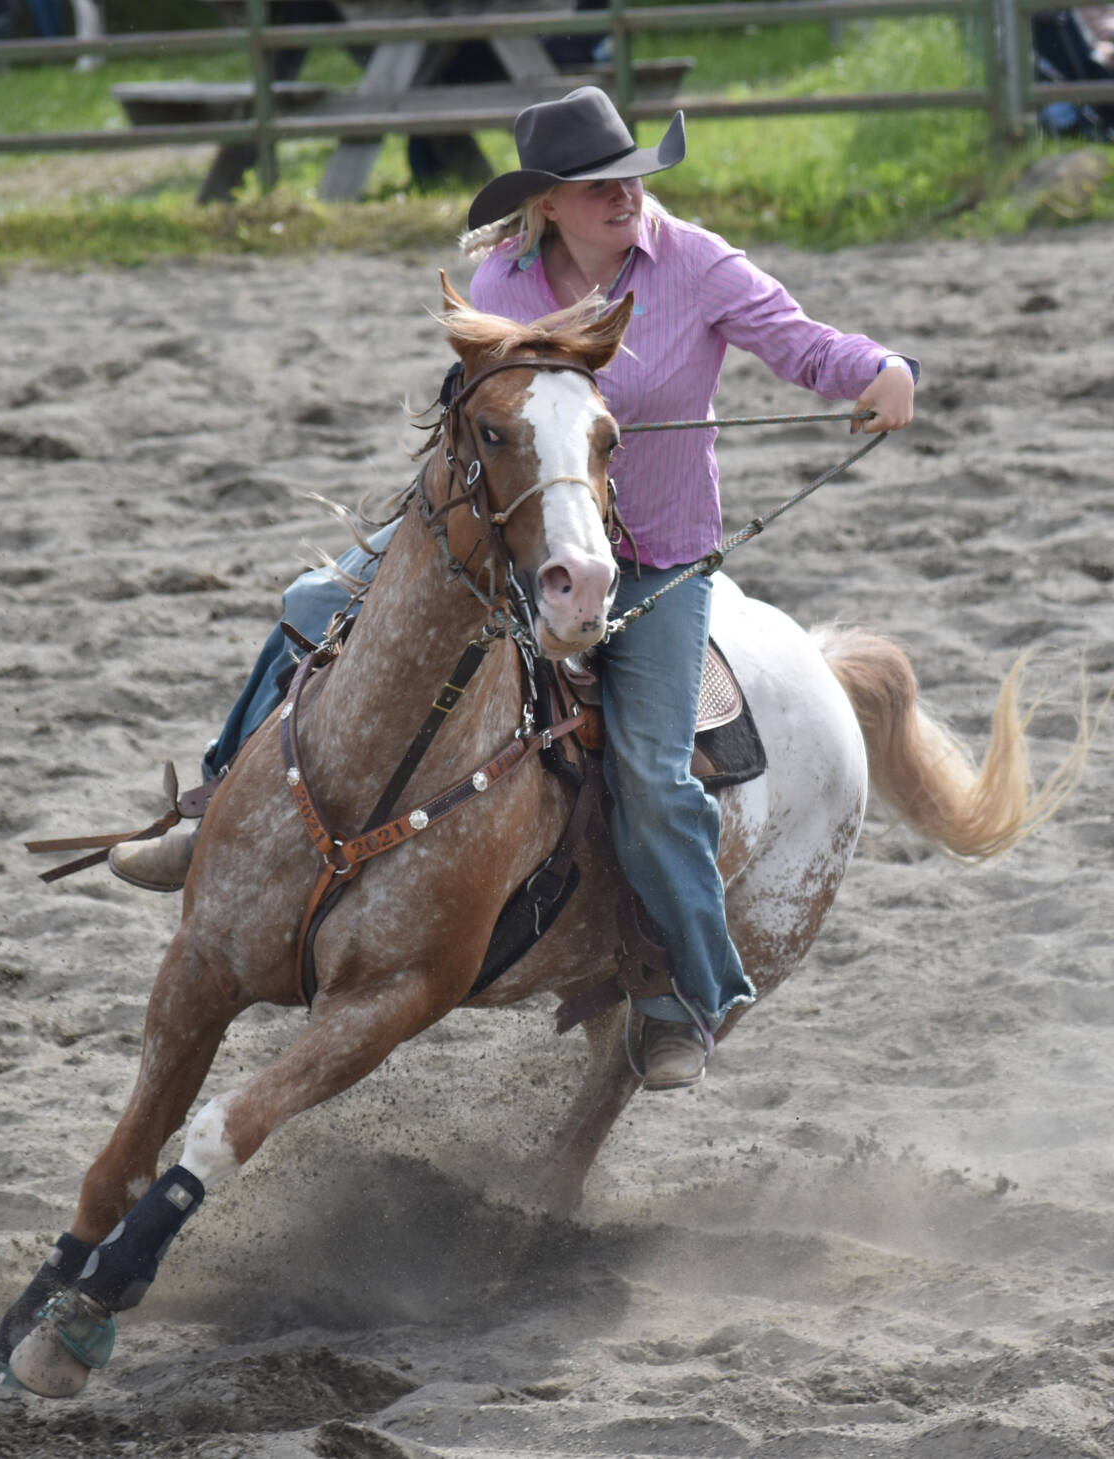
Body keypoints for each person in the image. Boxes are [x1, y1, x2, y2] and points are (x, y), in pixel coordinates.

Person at [109, 86, 919, 1093]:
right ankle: (209, 808)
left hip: (650, 559)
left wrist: (875, 370)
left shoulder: (695, 264)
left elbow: (795, 338)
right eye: (597, 186)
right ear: (546, 204)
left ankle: (688, 986)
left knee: (655, 775)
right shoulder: (503, 280)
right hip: (506, 545)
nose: (625, 197)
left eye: (631, 178)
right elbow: (476, 414)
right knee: (311, 603)